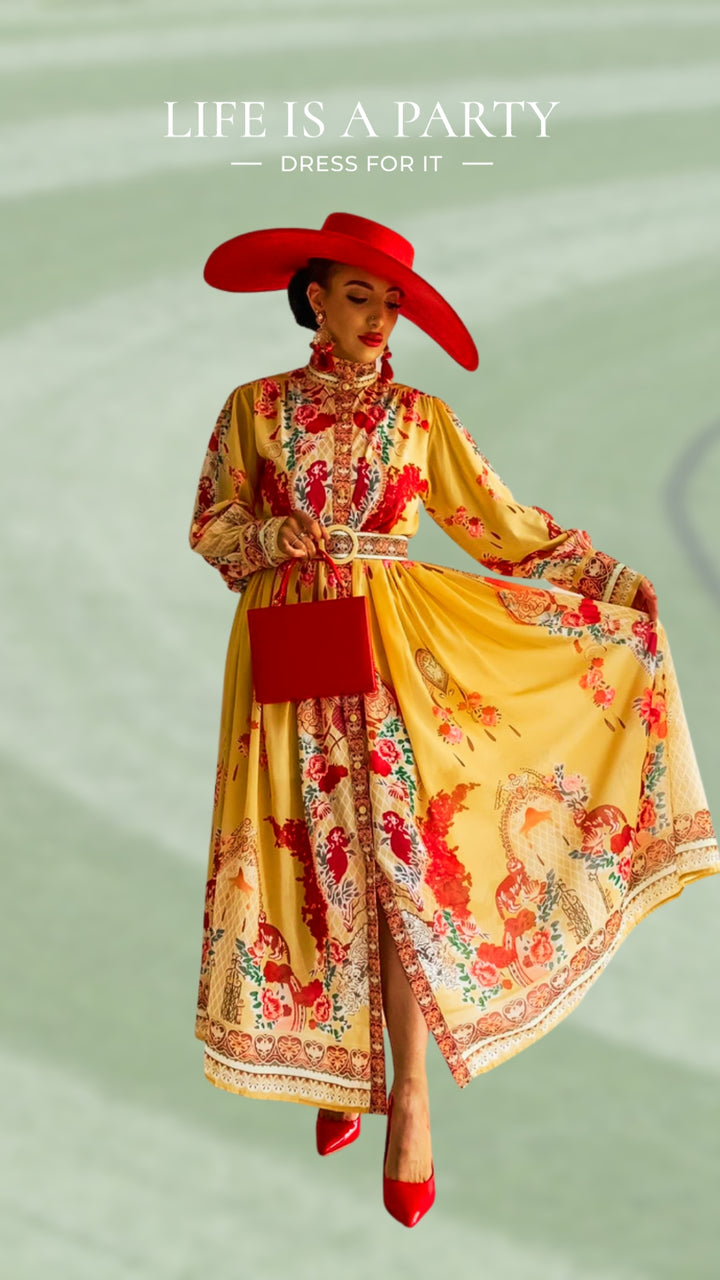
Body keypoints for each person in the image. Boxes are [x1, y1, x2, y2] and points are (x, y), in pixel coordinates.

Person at [189, 211, 719, 1228]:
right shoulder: (251, 410)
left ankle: (410, 1095)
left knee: (397, 860)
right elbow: (211, 526)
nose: (379, 316)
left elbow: (501, 528)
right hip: (287, 634)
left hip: (395, 649)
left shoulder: (421, 420)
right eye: (359, 295)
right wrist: (266, 531)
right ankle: (341, 1066)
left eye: (391, 301)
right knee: (303, 849)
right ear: (313, 297)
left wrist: (605, 579)